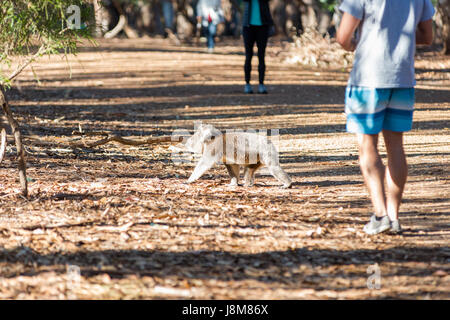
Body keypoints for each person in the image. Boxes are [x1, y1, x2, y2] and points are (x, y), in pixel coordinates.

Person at [337, 0, 434, 235]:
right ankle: (394, 216)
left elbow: (342, 37)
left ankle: (380, 215)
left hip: (368, 77)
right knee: (396, 147)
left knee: (367, 144)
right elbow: (427, 36)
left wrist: (359, 42)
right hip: (402, 76)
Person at [242, 0, 273, 94]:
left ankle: (261, 84)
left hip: (263, 27)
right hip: (248, 27)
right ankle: (247, 84)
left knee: (261, 56)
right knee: (248, 56)